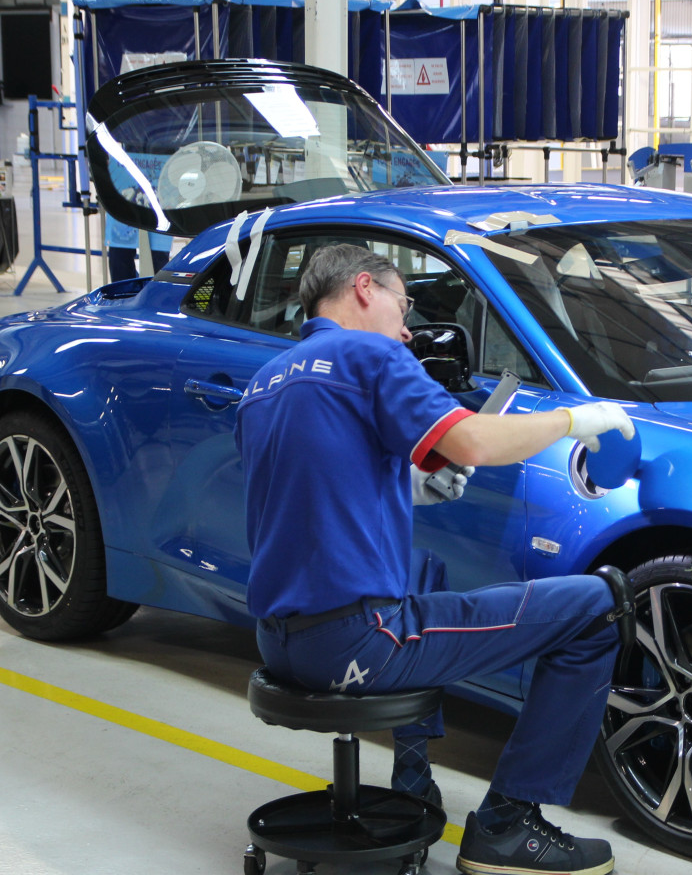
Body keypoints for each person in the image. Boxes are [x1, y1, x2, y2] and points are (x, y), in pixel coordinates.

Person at [235, 243, 637, 875]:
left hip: (280, 640)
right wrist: (571, 418)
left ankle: (413, 779)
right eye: (404, 303)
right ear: (364, 288)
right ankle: (508, 828)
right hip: (355, 643)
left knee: (424, 569)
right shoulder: (369, 353)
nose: (407, 326)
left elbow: (315, 490)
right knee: (596, 605)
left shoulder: (265, 382)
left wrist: (413, 482)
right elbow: (472, 437)